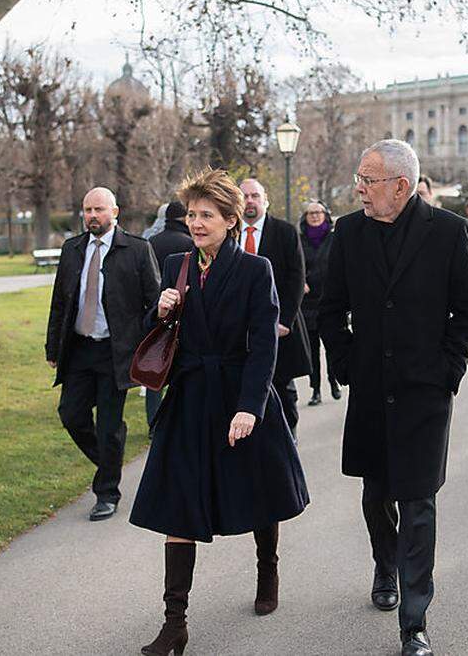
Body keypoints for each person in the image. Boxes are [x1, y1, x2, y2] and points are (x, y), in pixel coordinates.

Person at [131, 168, 310, 655]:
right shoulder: (175, 265)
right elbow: (161, 333)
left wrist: (250, 407)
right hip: (190, 399)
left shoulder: (256, 270)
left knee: (259, 492)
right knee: (178, 505)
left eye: (206, 215)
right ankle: (174, 623)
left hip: (239, 395)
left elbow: (262, 349)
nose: (196, 222)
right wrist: (162, 310)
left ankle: (267, 568)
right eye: (191, 214)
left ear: (231, 220)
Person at [320, 139, 468, 656]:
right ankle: (383, 564)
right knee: (376, 496)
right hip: (370, 391)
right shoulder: (348, 232)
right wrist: (346, 366)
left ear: (401, 187)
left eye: (368, 180)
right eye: (359, 179)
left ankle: (415, 621)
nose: (359, 188)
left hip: (424, 396)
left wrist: (446, 373)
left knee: (418, 503)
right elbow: (330, 309)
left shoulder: (450, 232)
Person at [45, 187, 161, 521]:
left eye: (98, 210)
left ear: (115, 212)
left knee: (109, 426)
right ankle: (110, 462)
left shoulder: (138, 250)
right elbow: (59, 302)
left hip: (116, 352)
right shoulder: (72, 250)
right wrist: (53, 347)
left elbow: (153, 303)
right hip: (80, 349)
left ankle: (107, 492)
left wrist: (147, 350)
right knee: (71, 414)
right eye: (87, 210)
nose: (92, 216)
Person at [239, 178, 312, 437]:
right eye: (244, 196)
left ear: (265, 200)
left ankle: (287, 437)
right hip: (242, 329)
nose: (249, 201)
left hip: (278, 326)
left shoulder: (284, 232)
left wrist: (285, 321)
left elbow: (296, 278)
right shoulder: (229, 234)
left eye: (254, 196)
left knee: (281, 387)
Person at [144, 201, 194, 429]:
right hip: (182, 311)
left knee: (156, 370)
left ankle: (154, 422)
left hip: (156, 309)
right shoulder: (190, 244)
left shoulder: (151, 242)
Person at [299, 199, 341, 406]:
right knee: (312, 350)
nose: (314, 216)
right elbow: (295, 265)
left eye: (318, 212)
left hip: (329, 301)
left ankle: (334, 382)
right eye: (310, 213)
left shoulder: (334, 238)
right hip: (306, 303)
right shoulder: (299, 240)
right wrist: (301, 282)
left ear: (326, 215)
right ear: (305, 218)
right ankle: (315, 389)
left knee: (332, 345)